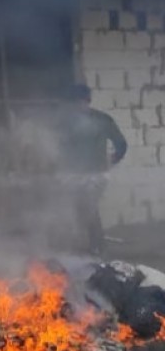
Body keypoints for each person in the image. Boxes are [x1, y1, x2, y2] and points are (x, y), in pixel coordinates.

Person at [58, 83, 127, 255]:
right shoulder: (67, 122)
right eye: (73, 103)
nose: (77, 106)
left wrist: (113, 159)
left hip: (95, 175)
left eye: (79, 102)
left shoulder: (101, 120)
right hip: (75, 174)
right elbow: (57, 146)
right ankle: (90, 244)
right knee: (81, 208)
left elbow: (121, 144)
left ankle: (97, 246)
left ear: (86, 101)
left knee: (88, 207)